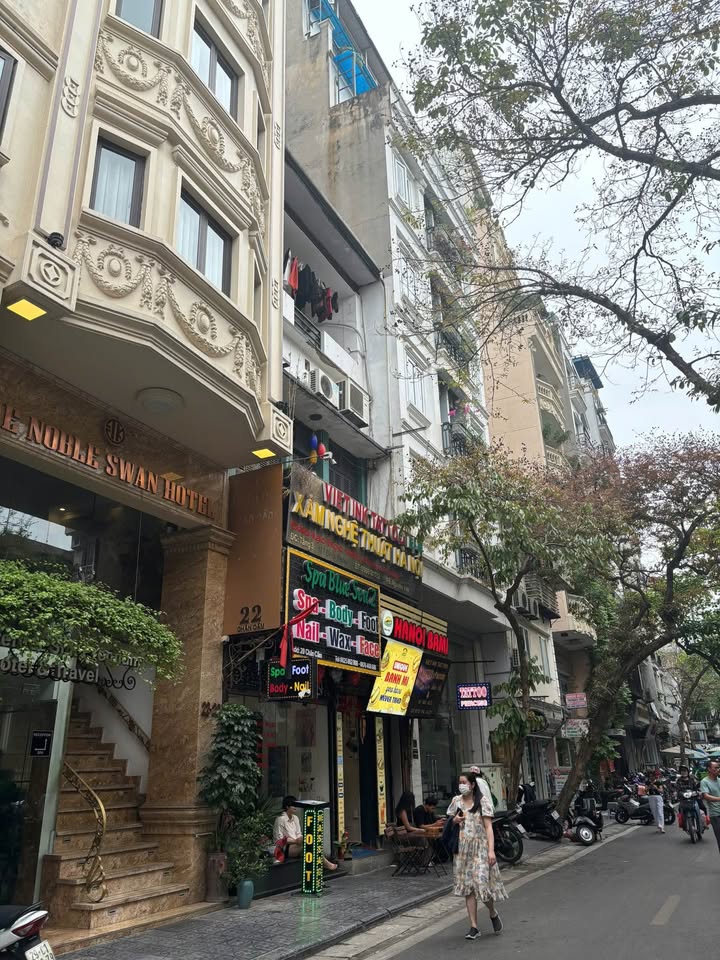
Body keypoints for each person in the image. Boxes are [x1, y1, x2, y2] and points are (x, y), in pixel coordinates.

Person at [448, 772, 507, 940]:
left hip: (480, 849)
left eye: (464, 782)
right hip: (463, 850)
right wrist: (455, 821)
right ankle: (473, 926)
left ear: (473, 785)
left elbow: (488, 827)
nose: (461, 785)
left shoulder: (482, 802)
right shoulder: (456, 801)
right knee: (468, 888)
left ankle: (492, 912)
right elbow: (449, 821)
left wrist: (491, 850)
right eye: (460, 782)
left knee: (482, 885)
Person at [273, 796, 337, 871]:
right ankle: (326, 864)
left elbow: (299, 834)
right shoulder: (280, 819)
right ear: (287, 807)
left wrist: (301, 839)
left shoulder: (295, 818)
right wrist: (295, 841)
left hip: (297, 844)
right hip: (285, 848)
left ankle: (322, 864)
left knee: (311, 843)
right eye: (293, 805)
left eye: (296, 805)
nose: (295, 807)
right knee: (309, 847)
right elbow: (279, 840)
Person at [700, 759, 720, 854]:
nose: (718, 769)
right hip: (716, 815)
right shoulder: (705, 782)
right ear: (709, 769)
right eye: (716, 768)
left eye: (719, 767)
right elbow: (706, 796)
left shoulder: (719, 780)